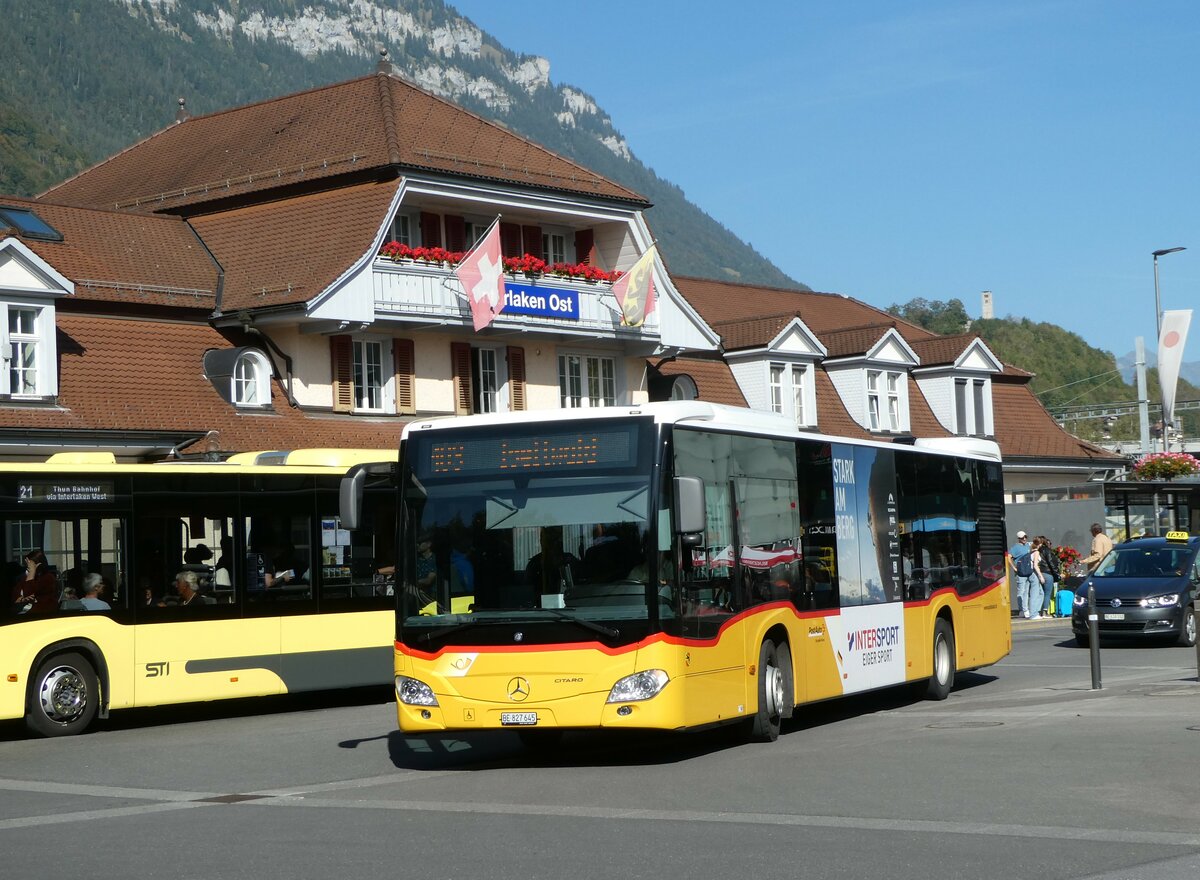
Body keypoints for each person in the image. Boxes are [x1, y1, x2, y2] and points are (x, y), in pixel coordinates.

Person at [14, 549, 57, 614]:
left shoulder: (48, 578)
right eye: (27, 565)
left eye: (30, 565)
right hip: (23, 610)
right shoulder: (24, 578)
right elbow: (15, 597)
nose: (28, 567)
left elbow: (28, 592)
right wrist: (22, 599)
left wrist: (32, 572)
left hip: (41, 613)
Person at [1009, 530, 1033, 619]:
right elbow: (1009, 557)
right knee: (1021, 591)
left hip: (1028, 571)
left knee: (1026, 591)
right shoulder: (1015, 547)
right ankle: (1021, 610)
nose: (1024, 539)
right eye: (1022, 538)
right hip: (1021, 572)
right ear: (1019, 538)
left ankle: (1026, 609)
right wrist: (1014, 568)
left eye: (1025, 537)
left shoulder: (1028, 545)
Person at [1036, 535, 1059, 616]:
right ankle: (1045, 611)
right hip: (1047, 573)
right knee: (1047, 593)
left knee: (1040, 593)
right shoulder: (1047, 550)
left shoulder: (1036, 550)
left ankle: (1038, 611)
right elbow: (1051, 562)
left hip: (1038, 573)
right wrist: (1056, 573)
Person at [1027, 537, 1048, 620]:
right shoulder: (1036, 552)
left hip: (1031, 574)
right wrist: (1041, 576)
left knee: (1040, 593)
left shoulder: (1031, 552)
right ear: (1039, 544)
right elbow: (1035, 565)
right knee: (1034, 594)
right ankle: (1033, 614)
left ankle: (1036, 611)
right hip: (1034, 574)